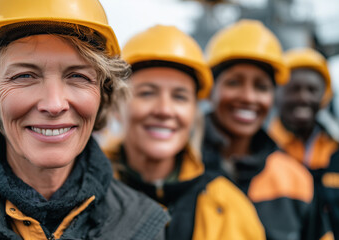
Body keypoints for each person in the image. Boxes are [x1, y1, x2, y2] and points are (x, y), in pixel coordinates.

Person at [0, 0, 169, 239]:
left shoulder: (145, 224)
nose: (54, 104)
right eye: (24, 76)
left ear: (102, 94)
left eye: (78, 76)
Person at [103, 25, 265, 240]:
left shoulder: (229, 207)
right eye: (147, 93)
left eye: (180, 97)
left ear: (194, 114)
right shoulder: (82, 196)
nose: (164, 110)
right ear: (116, 107)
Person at [202, 20, 333, 240]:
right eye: (234, 82)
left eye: (261, 86)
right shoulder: (177, 167)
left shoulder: (295, 180)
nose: (248, 97)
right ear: (209, 89)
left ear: (273, 97)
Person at [268, 48, 339, 238]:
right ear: (276, 94)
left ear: (324, 95)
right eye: (293, 89)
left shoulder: (336, 150)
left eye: (312, 90)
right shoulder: (261, 153)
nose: (303, 97)